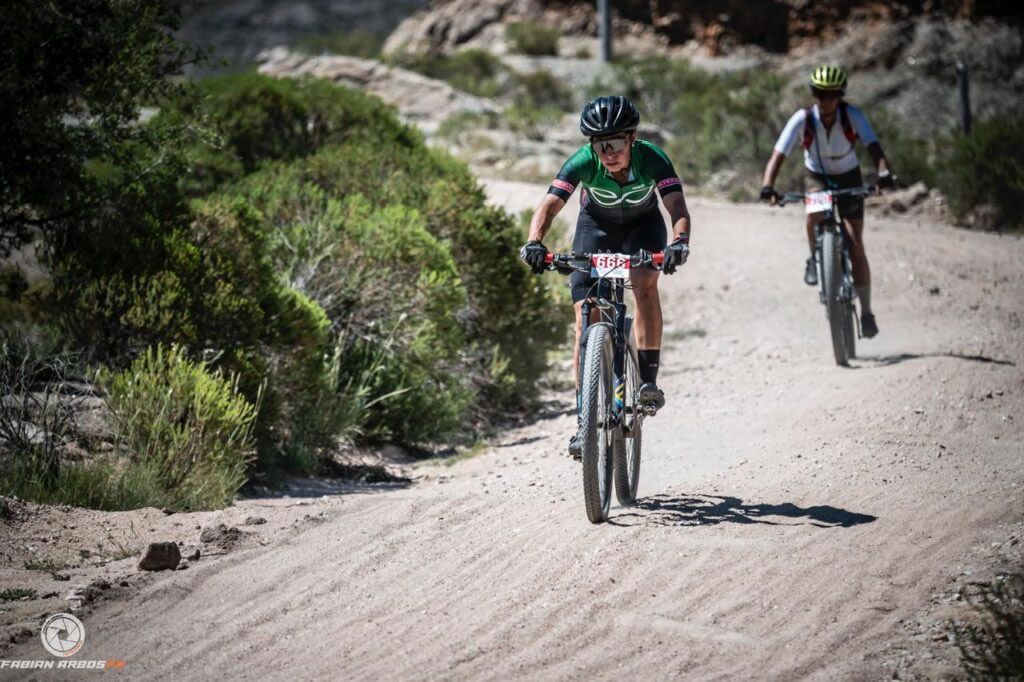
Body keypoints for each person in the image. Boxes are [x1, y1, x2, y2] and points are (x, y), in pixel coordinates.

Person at [519, 95, 692, 456]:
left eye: (615, 142)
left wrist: (679, 242)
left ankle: (648, 381)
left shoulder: (652, 158)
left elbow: (676, 206)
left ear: (632, 138)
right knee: (585, 318)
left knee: (644, 287)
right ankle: (584, 422)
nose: (608, 152)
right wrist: (534, 241)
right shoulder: (583, 162)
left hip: (643, 227)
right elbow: (549, 205)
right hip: (595, 227)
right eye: (600, 144)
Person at [760, 64, 895, 339]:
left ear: (841, 95)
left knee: (855, 242)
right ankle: (816, 259)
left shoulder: (853, 116)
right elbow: (778, 155)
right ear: (814, 95)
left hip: (849, 177)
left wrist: (883, 174)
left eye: (832, 95)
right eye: (821, 94)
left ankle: (867, 312)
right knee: (814, 216)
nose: (826, 100)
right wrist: (767, 186)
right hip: (817, 177)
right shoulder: (802, 119)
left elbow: (874, 149)